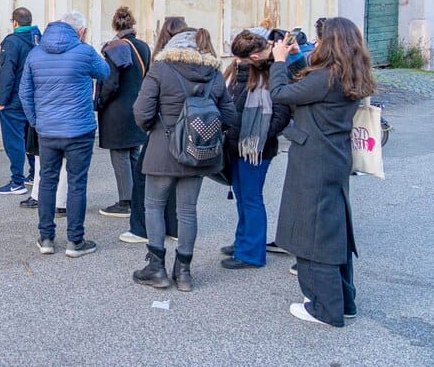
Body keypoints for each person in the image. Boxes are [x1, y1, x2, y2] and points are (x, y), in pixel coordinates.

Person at [269, 17, 375, 327]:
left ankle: (324, 308)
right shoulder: (346, 74)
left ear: (332, 44)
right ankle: (344, 301)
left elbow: (281, 93)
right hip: (333, 158)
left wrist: (277, 61)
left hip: (314, 160)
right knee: (331, 228)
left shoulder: (325, 78)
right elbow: (306, 86)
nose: (315, 44)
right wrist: (294, 58)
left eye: (320, 40)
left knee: (312, 232)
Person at [132, 26, 237, 291]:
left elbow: (142, 111)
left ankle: (156, 268)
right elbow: (230, 116)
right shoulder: (213, 73)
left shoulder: (160, 69)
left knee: (154, 205)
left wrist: (156, 128)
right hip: (199, 152)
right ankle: (184, 272)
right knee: (187, 211)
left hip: (162, 149)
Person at [19, 11, 110, 258]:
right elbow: (105, 72)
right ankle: (75, 241)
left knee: (47, 181)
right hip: (79, 129)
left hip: (47, 130)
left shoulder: (35, 53)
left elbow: (25, 93)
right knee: (77, 183)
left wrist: (37, 122)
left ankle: (46, 238)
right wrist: (85, 45)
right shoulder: (84, 51)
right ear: (80, 31)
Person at [219, 30, 293, 269]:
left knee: (251, 198)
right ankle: (243, 242)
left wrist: (258, 136)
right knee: (242, 196)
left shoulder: (273, 73)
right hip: (236, 146)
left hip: (256, 148)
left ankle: (251, 252)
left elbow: (281, 115)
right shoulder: (237, 71)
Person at [120, 17, 186, 245]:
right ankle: (176, 228)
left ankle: (141, 229)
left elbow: (143, 108)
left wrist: (147, 125)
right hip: (192, 132)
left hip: (162, 129)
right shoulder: (205, 64)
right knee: (181, 181)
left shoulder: (160, 65)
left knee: (144, 179)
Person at [95, 6, 151, 219]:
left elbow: (111, 83)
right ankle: (138, 197)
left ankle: (125, 202)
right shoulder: (143, 46)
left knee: (119, 155)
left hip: (117, 110)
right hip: (137, 105)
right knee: (133, 153)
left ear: (114, 25)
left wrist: (100, 101)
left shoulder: (114, 47)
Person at [0, 7, 42, 195]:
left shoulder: (12, 42)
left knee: (14, 140)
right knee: (31, 137)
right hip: (34, 97)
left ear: (14, 22)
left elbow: (7, 73)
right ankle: (34, 174)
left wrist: (1, 100)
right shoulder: (39, 38)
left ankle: (17, 182)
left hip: (15, 99)